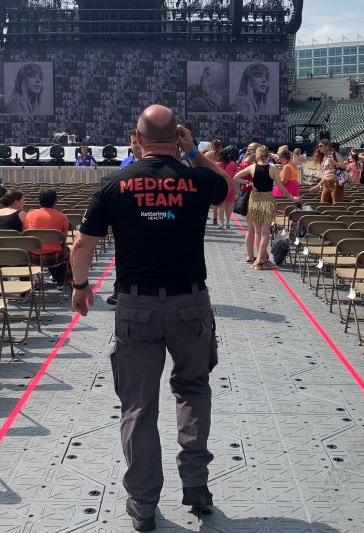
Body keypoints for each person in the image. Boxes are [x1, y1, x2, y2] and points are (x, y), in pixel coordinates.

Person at [68, 104, 233, 531]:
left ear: (135, 138)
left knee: (138, 405)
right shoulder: (196, 180)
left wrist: (81, 287)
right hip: (191, 304)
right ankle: (195, 484)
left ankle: (143, 502)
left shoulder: (115, 184)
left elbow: (83, 245)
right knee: (193, 389)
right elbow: (227, 190)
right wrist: (194, 150)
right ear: (175, 135)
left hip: (136, 307)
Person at [234, 145, 301, 270]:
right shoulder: (273, 169)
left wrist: (248, 183)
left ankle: (260, 260)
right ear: (268, 156)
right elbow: (282, 188)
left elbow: (236, 177)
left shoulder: (252, 167)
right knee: (265, 233)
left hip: (255, 200)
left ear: (257, 155)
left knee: (258, 232)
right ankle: (260, 260)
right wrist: (292, 198)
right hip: (268, 200)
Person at [24, 188, 70, 284]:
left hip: (33, 257)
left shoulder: (29, 215)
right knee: (68, 252)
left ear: (39, 201)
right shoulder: (62, 217)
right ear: (55, 201)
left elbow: (26, 233)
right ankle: (63, 280)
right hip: (55, 257)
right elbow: (63, 239)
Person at [214, 146, 239, 229]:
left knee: (221, 205)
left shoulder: (216, 164)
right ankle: (228, 223)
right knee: (229, 206)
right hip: (231, 186)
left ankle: (222, 223)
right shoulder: (233, 164)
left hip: (220, 187)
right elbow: (237, 174)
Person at [313, 139, 346, 204]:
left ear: (327, 146)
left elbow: (344, 167)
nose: (319, 147)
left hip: (336, 182)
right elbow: (325, 174)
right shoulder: (324, 157)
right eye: (318, 146)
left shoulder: (334, 154)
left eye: (320, 146)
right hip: (326, 183)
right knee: (323, 204)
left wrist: (334, 163)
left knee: (336, 204)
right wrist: (318, 185)